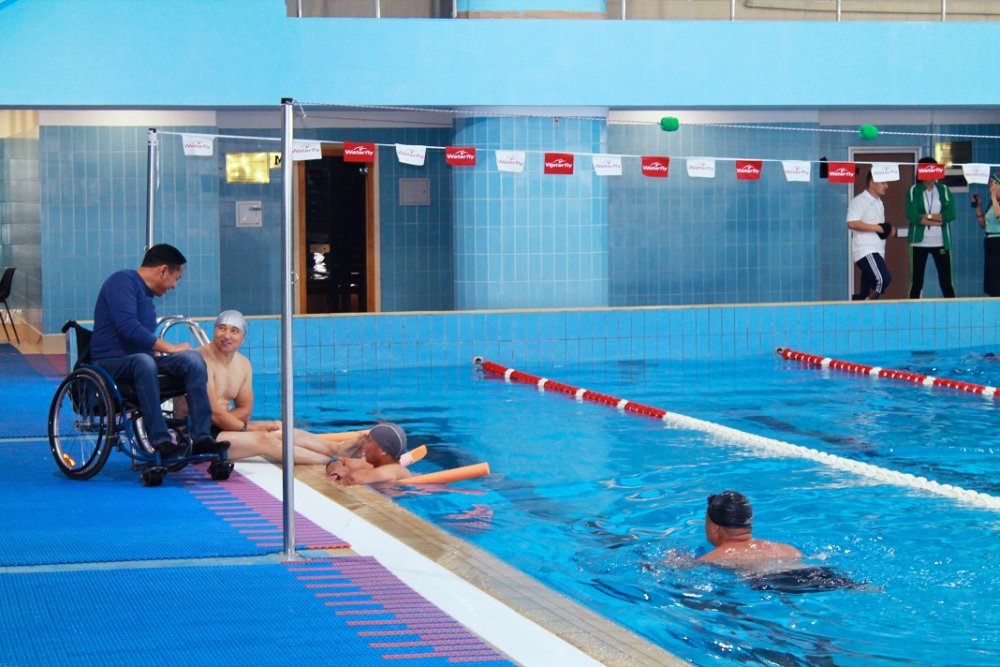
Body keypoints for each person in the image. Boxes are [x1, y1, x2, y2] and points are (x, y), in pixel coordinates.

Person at [89, 244, 226, 458]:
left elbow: (142, 342)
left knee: (192, 359)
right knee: (144, 361)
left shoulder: (147, 297)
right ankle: (161, 441)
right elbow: (128, 329)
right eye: (176, 279)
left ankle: (201, 436)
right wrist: (170, 348)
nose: (174, 286)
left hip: (140, 363)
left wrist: (170, 355)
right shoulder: (122, 282)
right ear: (162, 270)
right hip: (110, 362)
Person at [194, 309, 366, 464]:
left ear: (243, 338)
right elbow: (212, 414)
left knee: (277, 426)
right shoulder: (200, 361)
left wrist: (228, 422)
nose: (227, 336)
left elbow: (244, 410)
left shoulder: (243, 364)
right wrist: (245, 427)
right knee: (265, 440)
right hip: (200, 436)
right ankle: (332, 462)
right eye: (222, 328)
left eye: (234, 331)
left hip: (222, 428)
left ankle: (335, 449)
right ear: (214, 330)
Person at [696, 491, 862, 593]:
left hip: (773, 581)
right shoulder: (786, 549)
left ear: (714, 528)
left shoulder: (713, 558)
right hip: (821, 573)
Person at [905, 157, 956, 298]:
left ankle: (952, 309)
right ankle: (912, 309)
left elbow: (951, 214)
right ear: (921, 172)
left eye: (935, 170)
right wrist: (936, 219)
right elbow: (913, 216)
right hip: (919, 242)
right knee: (916, 283)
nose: (933, 174)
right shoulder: (913, 191)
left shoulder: (944, 190)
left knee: (946, 282)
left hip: (941, 242)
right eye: (929, 170)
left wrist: (926, 217)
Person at [848, 171, 892, 300]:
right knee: (883, 279)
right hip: (866, 250)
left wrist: (886, 230)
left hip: (878, 250)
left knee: (866, 289)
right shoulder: (859, 201)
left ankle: (864, 302)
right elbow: (852, 223)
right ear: (872, 183)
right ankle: (869, 301)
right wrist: (879, 228)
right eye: (883, 183)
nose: (887, 186)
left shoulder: (879, 202)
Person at [325, 422, 412, 485]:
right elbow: (337, 459)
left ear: (382, 450)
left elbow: (354, 478)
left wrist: (344, 474)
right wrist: (337, 470)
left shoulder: (397, 470)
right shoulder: (371, 465)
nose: (364, 445)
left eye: (369, 441)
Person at [973, 172, 1000, 296]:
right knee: (991, 276)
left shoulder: (995, 201)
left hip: (998, 241)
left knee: (997, 276)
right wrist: (978, 206)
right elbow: (983, 224)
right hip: (990, 242)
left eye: (993, 184)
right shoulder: (992, 203)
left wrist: (993, 197)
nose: (990, 187)